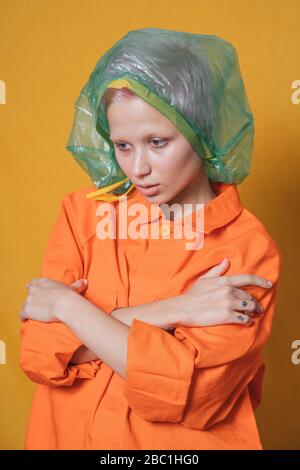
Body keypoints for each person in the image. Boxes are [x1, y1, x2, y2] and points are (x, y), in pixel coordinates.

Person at [19, 28, 282, 450]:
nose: (137, 167)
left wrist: (68, 308)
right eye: (123, 145)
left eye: (157, 142)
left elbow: (190, 395)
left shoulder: (248, 249)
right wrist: (177, 309)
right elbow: (40, 352)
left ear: (202, 130)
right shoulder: (84, 212)